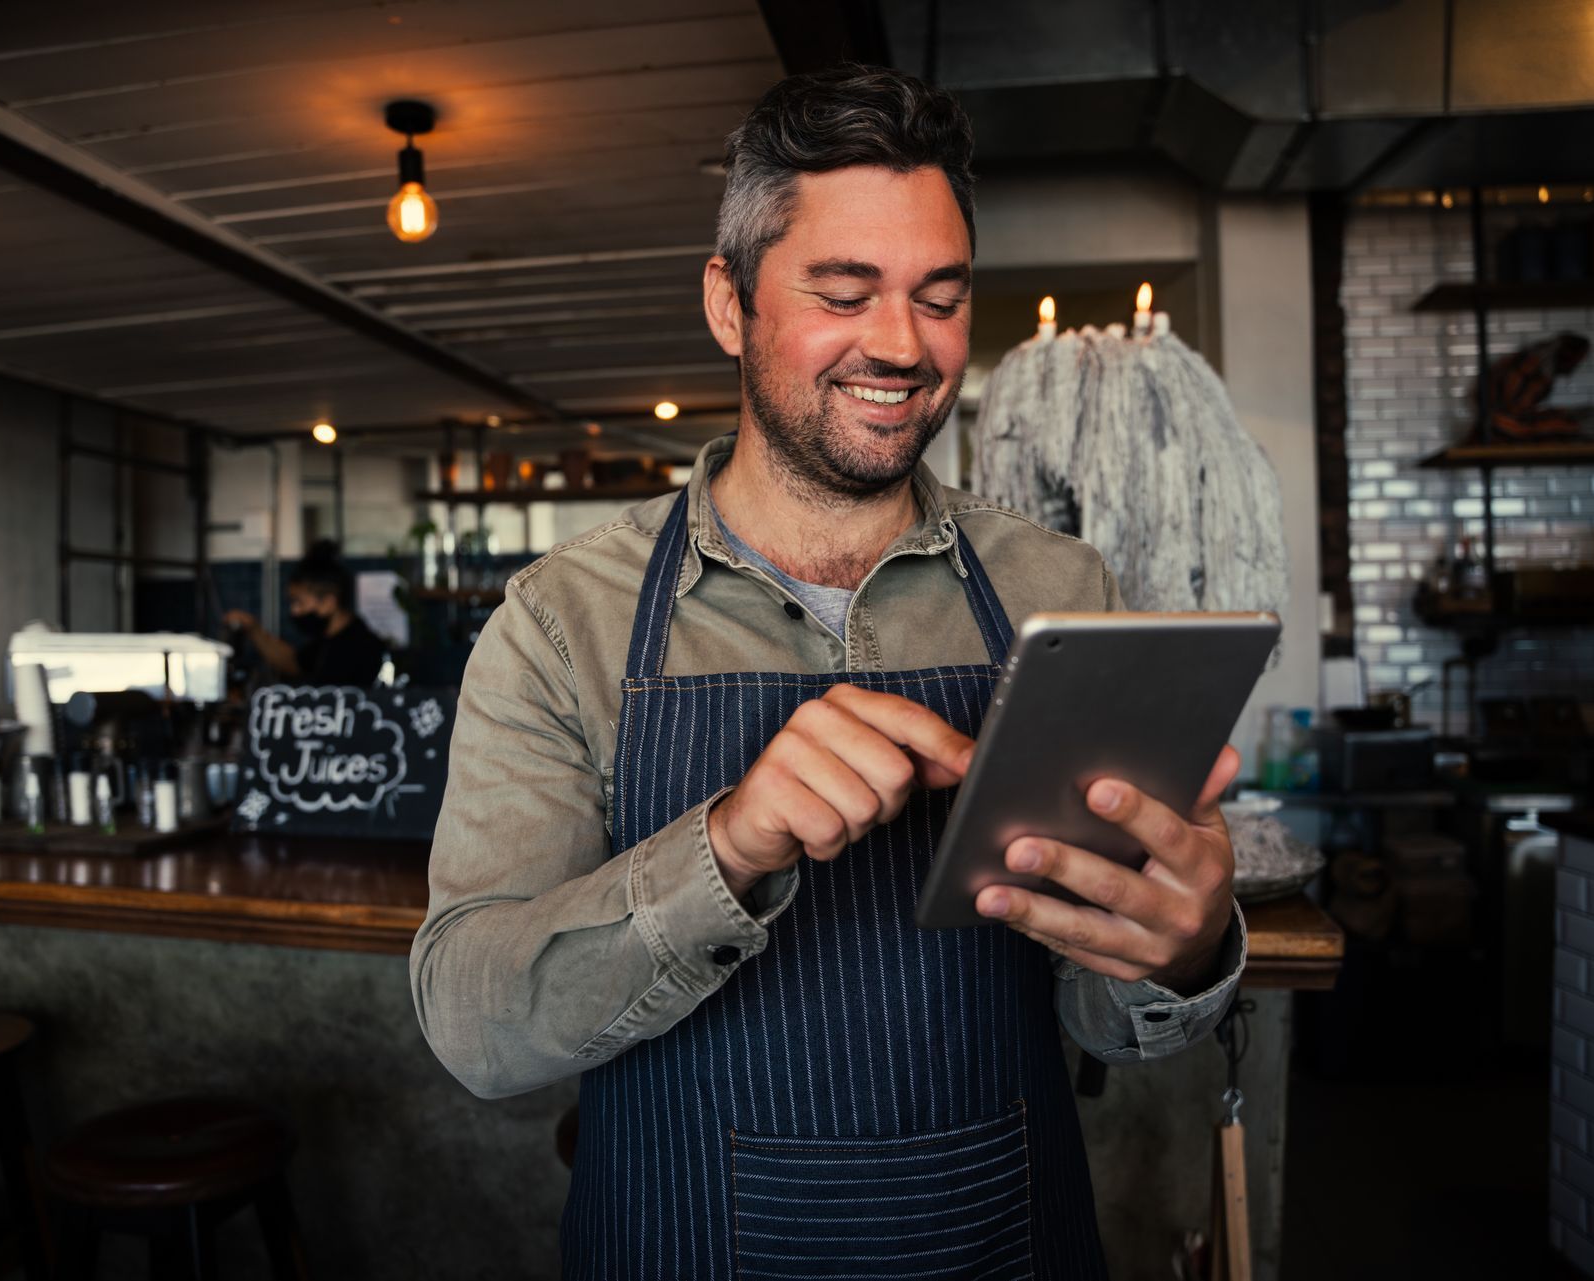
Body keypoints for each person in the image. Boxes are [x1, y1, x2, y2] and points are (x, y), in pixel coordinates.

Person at [411, 66, 1246, 1279]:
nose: (902, 346)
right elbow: (473, 1021)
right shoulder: (562, 624)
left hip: (1003, 1240)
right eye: (845, 292)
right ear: (728, 301)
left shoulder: (1058, 590)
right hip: (681, 1243)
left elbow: (1108, 1019)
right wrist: (729, 848)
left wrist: (1183, 945)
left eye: (942, 298)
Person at [223, 540, 385, 688]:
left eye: (299, 602)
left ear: (328, 602)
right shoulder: (327, 641)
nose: (294, 610)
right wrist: (253, 629)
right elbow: (293, 663)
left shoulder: (357, 647)